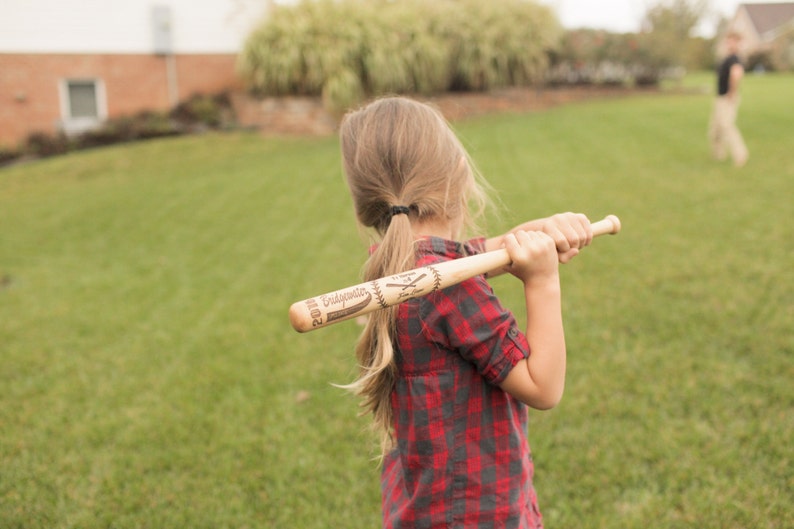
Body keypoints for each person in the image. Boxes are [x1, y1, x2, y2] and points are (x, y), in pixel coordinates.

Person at [338, 96, 593, 528]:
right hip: (479, 511)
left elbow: (471, 254)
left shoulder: (390, 266)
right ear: (458, 174)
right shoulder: (452, 291)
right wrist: (543, 281)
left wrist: (537, 232)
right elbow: (542, 387)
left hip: (426, 504)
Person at [708, 29, 749, 167]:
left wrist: (731, 92)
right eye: (728, 40)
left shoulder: (735, 59)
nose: (729, 43)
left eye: (732, 41)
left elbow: (736, 75)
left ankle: (741, 154)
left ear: (737, 43)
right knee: (715, 130)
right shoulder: (727, 57)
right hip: (720, 98)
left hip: (727, 98)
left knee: (727, 126)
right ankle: (719, 155)